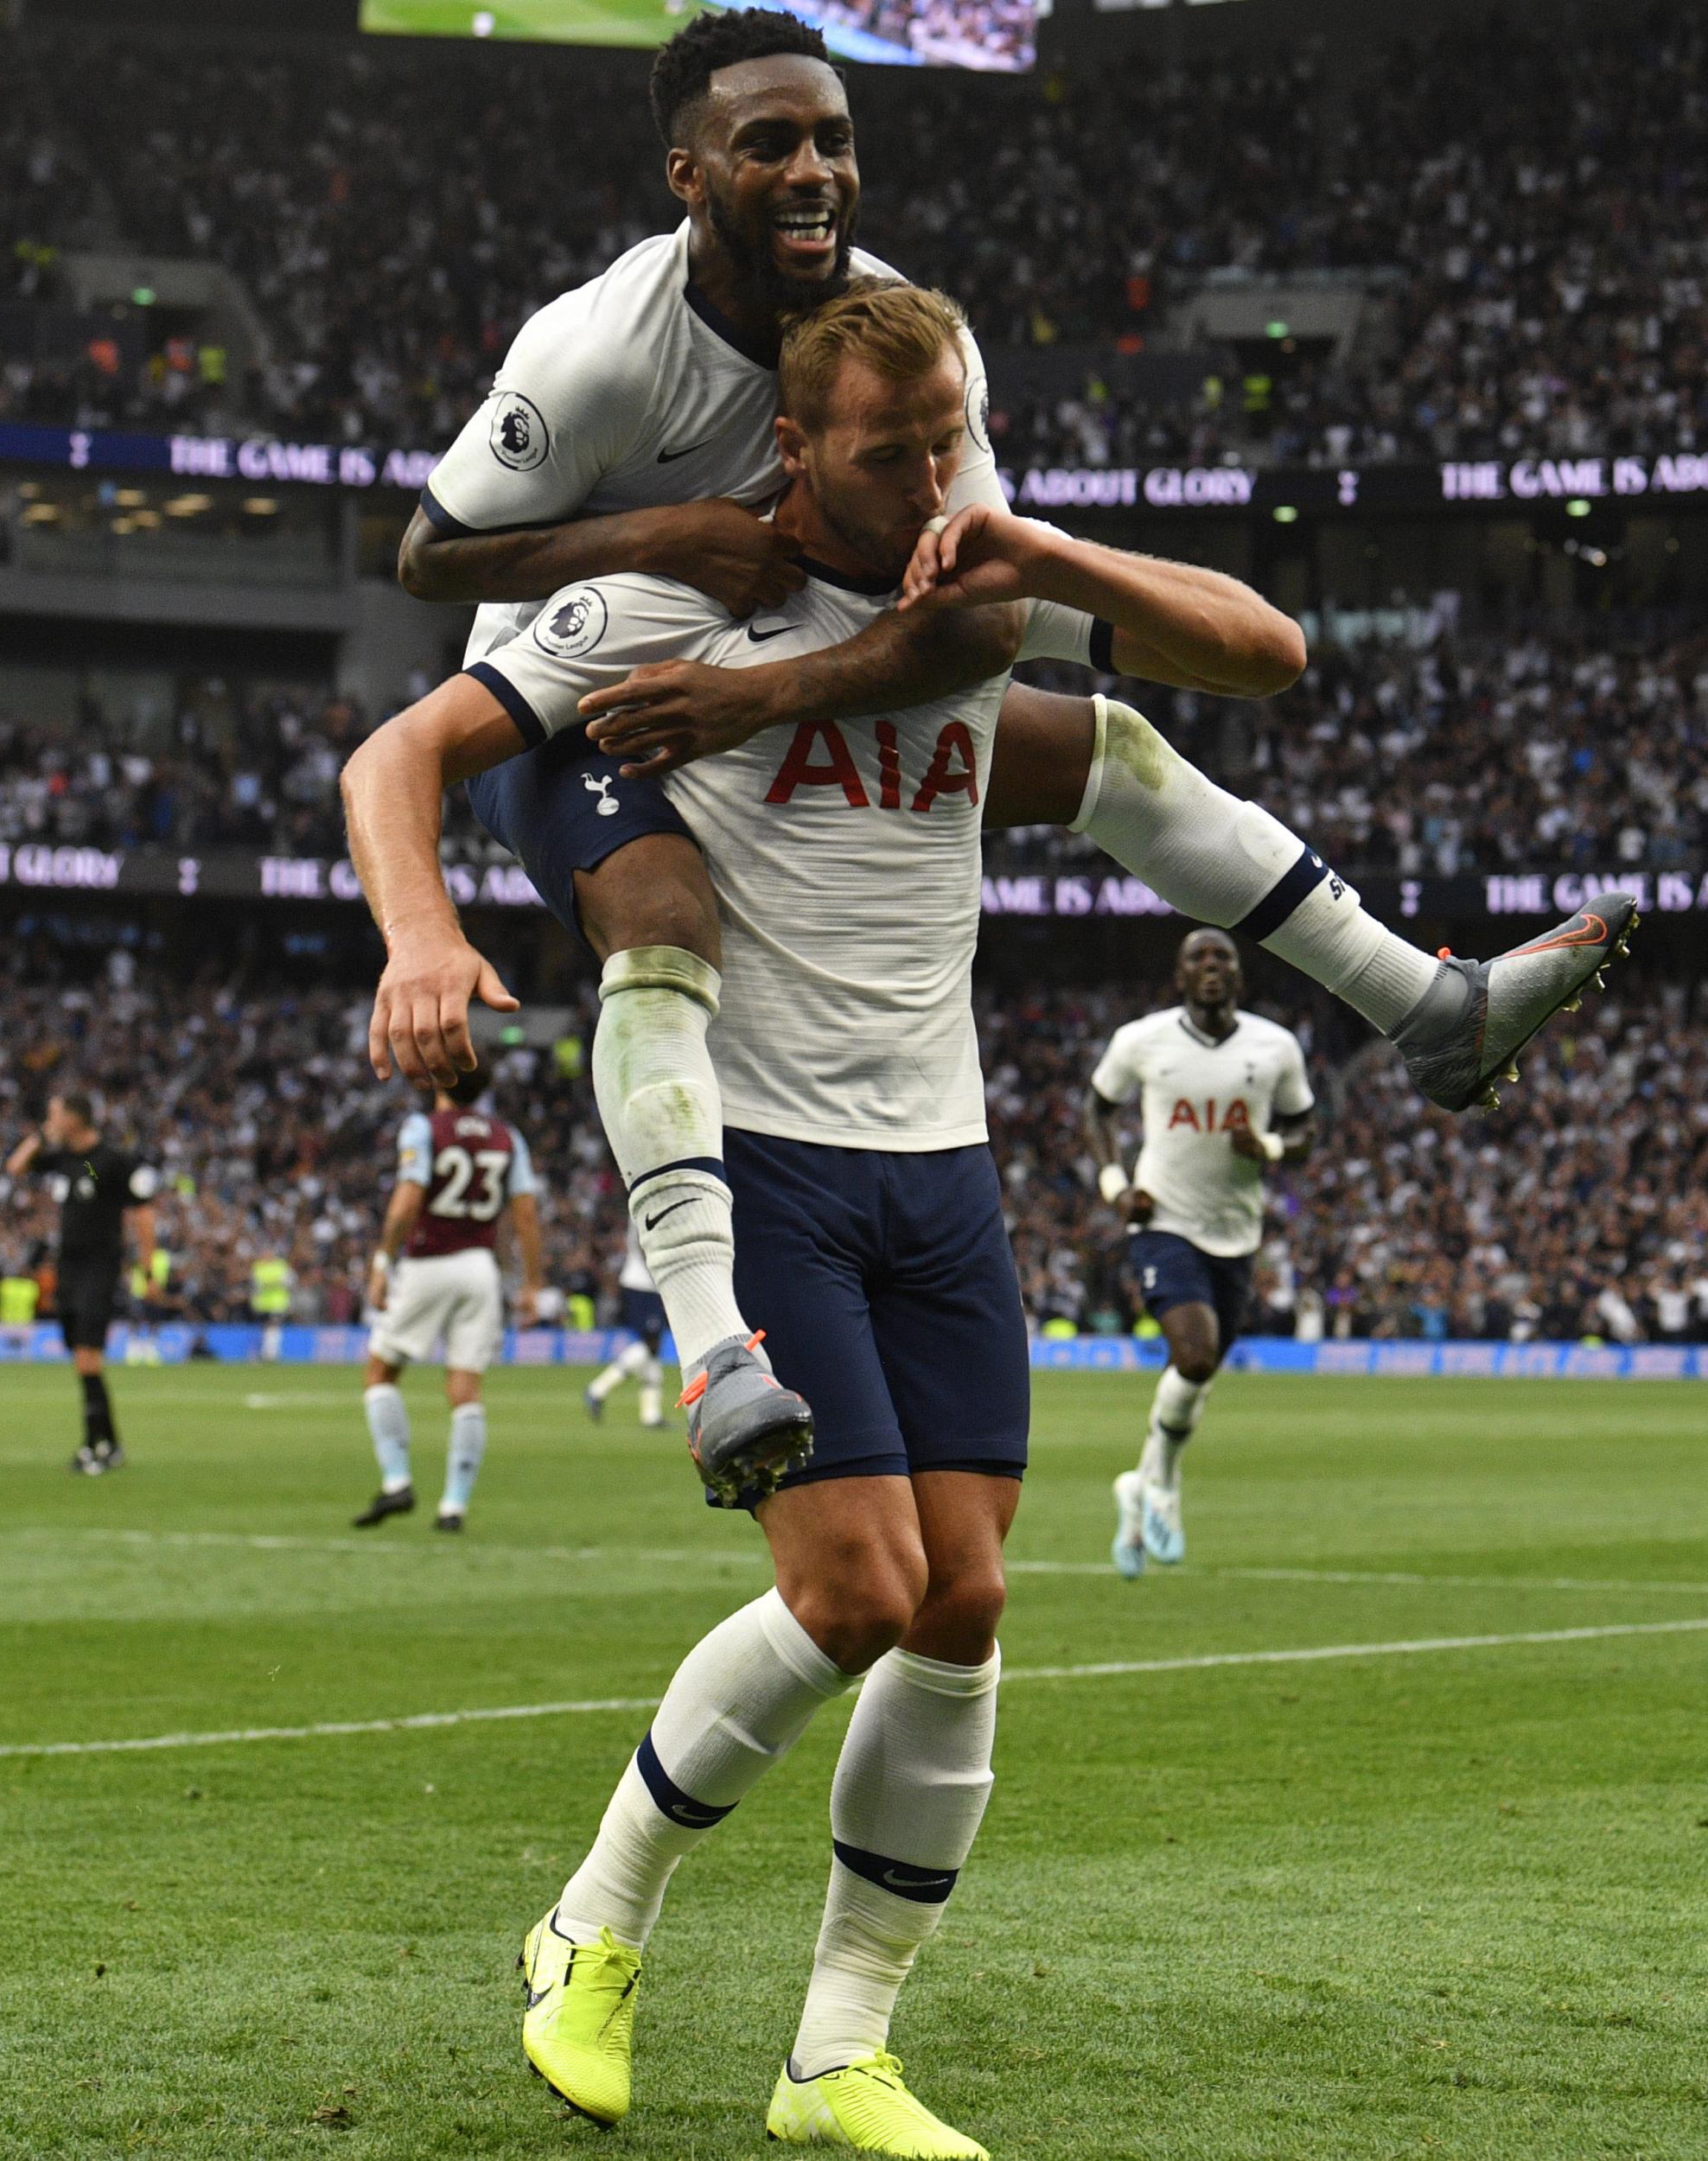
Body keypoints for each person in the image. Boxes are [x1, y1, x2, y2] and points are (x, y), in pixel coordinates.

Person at [347, 278, 1371, 2157]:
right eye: (884, 448)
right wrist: (426, 931)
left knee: (965, 1600)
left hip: (943, 1158)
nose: (922, 472)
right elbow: (398, 753)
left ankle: (838, 2057)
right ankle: (594, 1914)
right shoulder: (660, 607)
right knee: (851, 1590)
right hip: (767, 1153)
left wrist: (1034, 536)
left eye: (945, 435)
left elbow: (1264, 652)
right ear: (789, 449)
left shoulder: (973, 591)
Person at [397, 8, 1638, 1464]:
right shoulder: (601, 350)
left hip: (778, 645)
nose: (814, 169)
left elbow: (977, 606)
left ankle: (1424, 1010)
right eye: (772, 142)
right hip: (581, 688)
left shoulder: (910, 341)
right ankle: (708, 1348)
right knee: (663, 911)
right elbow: (430, 558)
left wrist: (774, 688)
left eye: (836, 139)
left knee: (1104, 752)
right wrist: (664, 535)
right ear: (688, 172)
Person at [1086, 931, 1316, 1578]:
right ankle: (1163, 1488)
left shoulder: (1274, 1048)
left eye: (1223, 959)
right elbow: (1096, 1109)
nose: (1211, 968)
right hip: (1163, 1220)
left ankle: (1141, 1485)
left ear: (1239, 978)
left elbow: (1305, 1129)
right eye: (1198, 959)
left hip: (1237, 1233)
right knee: (1194, 1354)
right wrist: (1116, 1186)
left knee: (1201, 1374)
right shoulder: (1142, 1041)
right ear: (1179, 977)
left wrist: (1269, 1147)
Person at [353, 1060, 542, 1533]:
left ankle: (397, 1480)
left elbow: (409, 1198)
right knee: (465, 1389)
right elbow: (525, 1216)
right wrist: (532, 1283)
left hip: (428, 1262)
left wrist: (381, 1260)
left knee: (380, 1370)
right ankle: (453, 1506)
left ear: (438, 1084)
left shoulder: (424, 1127)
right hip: (480, 1269)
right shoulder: (507, 1137)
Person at [5, 1090, 158, 1475]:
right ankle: (111, 1444)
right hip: (68, 1270)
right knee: (82, 1359)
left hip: (99, 1268)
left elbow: (142, 1215)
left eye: (54, 1114)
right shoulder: (66, 1160)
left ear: (74, 1118)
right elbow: (15, 1168)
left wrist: (149, 1269)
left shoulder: (112, 1161)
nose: (49, 1119)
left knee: (89, 1356)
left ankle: (95, 1446)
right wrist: (41, 1136)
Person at [584, 1224, 669, 1429]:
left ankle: (651, 1415)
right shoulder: (647, 1201)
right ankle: (597, 1389)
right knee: (651, 1345)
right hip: (643, 1284)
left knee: (653, 1348)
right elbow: (644, 1243)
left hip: (644, 1284)